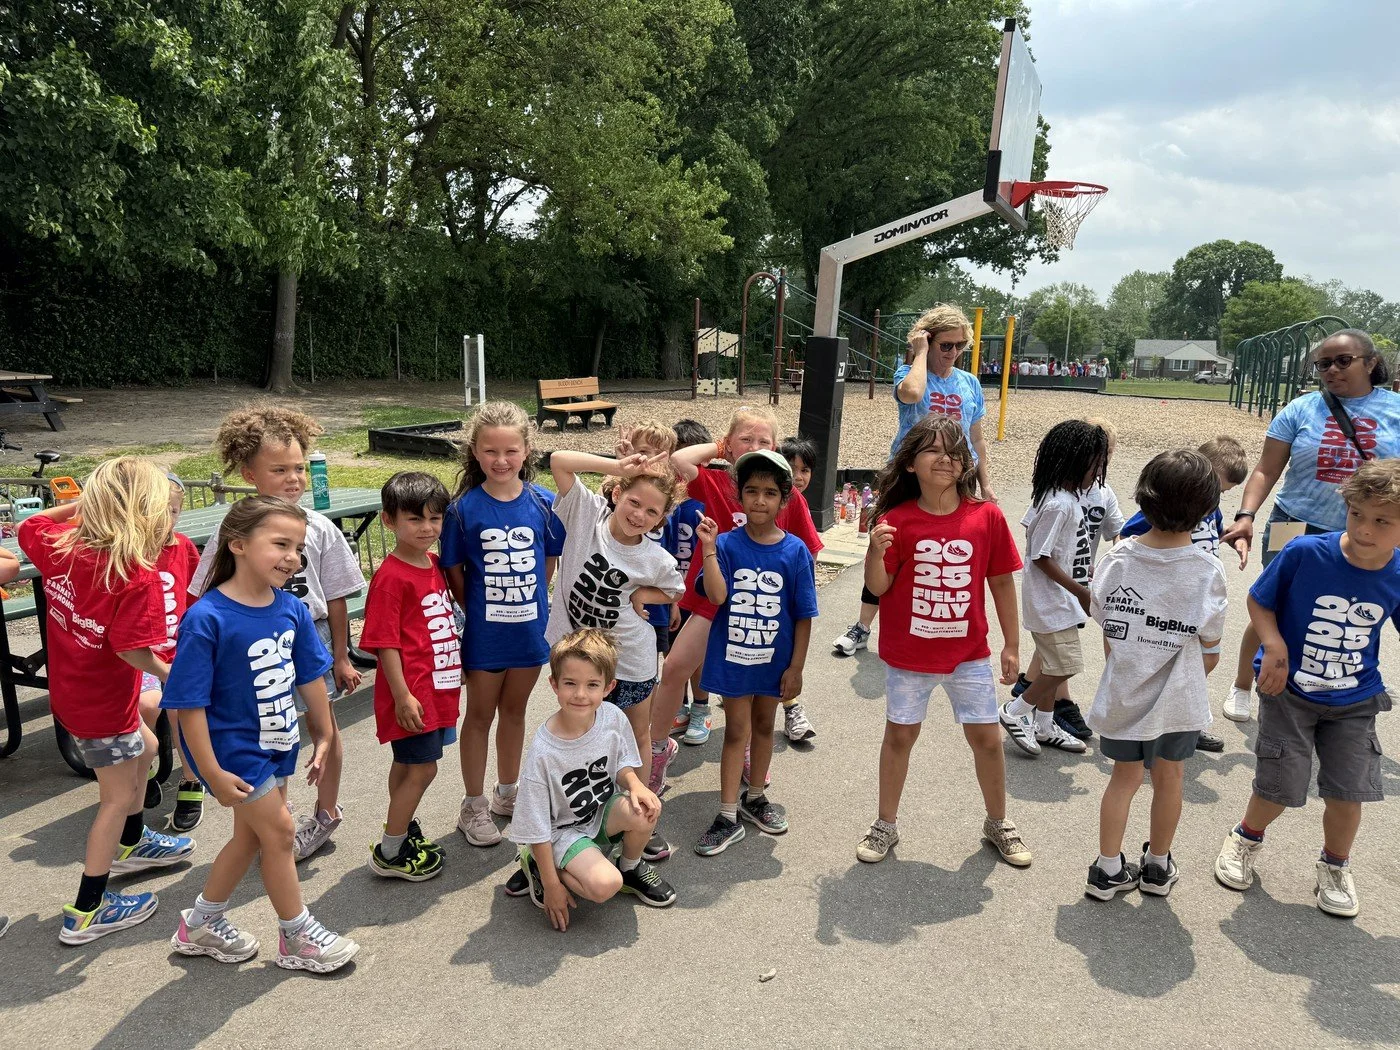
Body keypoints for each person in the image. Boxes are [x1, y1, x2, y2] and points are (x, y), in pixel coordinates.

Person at [164, 496, 358, 971]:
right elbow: (188, 705)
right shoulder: (206, 618)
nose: (292, 557)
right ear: (238, 545)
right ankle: (297, 936)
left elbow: (311, 675)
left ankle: (201, 923)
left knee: (252, 839)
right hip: (232, 751)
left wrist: (325, 734)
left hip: (278, 741)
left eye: (297, 548)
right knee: (282, 833)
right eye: (280, 544)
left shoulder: (290, 608)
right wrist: (208, 770)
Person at [18, 458, 197, 945]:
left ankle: (134, 841)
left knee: (148, 749)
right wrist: (167, 672)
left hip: (74, 696)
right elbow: (130, 649)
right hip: (103, 707)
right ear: (144, 512)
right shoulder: (134, 575)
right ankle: (87, 909)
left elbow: (28, 523)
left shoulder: (59, 546)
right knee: (115, 799)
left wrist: (86, 505)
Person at [1213, 459, 1400, 918]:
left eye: (1382, 521)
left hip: (1356, 698)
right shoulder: (1305, 552)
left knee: (1349, 791)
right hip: (1289, 691)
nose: (1365, 529)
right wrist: (1273, 644)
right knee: (1279, 782)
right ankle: (1245, 838)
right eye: (1357, 514)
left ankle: (1335, 866)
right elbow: (1259, 599)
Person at [853, 417, 1031, 867]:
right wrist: (875, 551)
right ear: (911, 463)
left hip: (969, 655)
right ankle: (885, 824)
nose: (946, 459)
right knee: (900, 737)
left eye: (954, 451)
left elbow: (1003, 583)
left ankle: (998, 822)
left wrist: (1012, 644)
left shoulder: (985, 515)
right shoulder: (895, 520)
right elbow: (880, 585)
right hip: (909, 656)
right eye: (932, 450)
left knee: (987, 740)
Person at [188, 406, 364, 861]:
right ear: (249, 473)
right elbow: (205, 594)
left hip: (311, 643)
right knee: (265, 733)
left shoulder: (319, 527)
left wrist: (342, 656)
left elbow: (340, 595)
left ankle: (325, 813)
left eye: (299, 467)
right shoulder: (235, 530)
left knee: (324, 729)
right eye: (280, 469)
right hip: (254, 653)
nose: (293, 478)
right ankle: (266, 820)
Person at [1219, 331, 1400, 723]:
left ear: (1370, 362)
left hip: (1369, 532)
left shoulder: (1395, 411)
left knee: (1355, 611)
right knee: (1276, 606)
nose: (1331, 370)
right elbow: (1267, 469)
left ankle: (1335, 686)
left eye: (1342, 361)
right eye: (1323, 364)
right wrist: (1246, 516)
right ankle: (1243, 683)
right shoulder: (1302, 409)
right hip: (1296, 524)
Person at [646, 405, 821, 796]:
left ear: (777, 448)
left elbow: (807, 555)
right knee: (675, 668)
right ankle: (657, 750)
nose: (753, 445)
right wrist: (721, 448)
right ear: (727, 443)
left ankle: (746, 752)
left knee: (747, 684)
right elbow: (677, 459)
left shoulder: (786, 498)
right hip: (715, 599)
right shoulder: (715, 482)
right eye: (745, 438)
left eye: (764, 441)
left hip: (759, 607)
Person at [1083, 451, 1227, 900]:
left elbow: (1106, 622)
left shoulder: (1119, 559)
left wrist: (1127, 663)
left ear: (1142, 499)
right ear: (1207, 510)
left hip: (1124, 690)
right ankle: (1158, 866)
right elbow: (1210, 648)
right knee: (1170, 778)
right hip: (1178, 701)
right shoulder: (1206, 569)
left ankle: (1108, 869)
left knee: (1122, 780)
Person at [833, 305, 996, 659]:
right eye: (946, 345)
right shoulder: (909, 372)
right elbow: (911, 394)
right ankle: (863, 626)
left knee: (947, 552)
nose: (953, 353)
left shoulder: (969, 383)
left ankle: (941, 624)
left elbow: (977, 438)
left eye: (960, 346)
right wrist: (921, 352)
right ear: (928, 341)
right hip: (909, 474)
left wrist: (986, 482)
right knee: (887, 547)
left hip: (958, 474)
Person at [440, 401, 566, 848]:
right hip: (485, 637)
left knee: (514, 713)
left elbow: (548, 563)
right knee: (478, 715)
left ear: (527, 450)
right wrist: (478, 608)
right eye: (490, 451)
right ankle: (472, 804)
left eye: (510, 451)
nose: (500, 460)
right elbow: (455, 574)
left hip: (530, 634)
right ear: (474, 451)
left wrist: (532, 605)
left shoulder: (544, 503)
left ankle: (507, 794)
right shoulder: (462, 510)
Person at [693, 450, 819, 856]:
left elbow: (803, 615)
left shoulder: (796, 551)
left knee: (765, 727)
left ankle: (756, 797)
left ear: (785, 499)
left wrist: (796, 667)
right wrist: (709, 549)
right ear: (739, 497)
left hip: (774, 659)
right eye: (751, 491)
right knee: (735, 732)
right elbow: (716, 595)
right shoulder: (726, 545)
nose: (760, 501)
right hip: (733, 658)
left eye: (769, 493)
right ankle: (727, 814)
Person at [511, 629, 676, 927]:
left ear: (608, 686)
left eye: (592, 684)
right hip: (561, 831)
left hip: (599, 812)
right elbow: (536, 825)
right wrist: (552, 885)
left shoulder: (612, 716)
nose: (580, 694)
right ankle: (536, 864)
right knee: (604, 886)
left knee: (647, 807)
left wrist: (636, 784)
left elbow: (622, 763)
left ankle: (630, 868)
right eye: (570, 683)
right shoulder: (543, 752)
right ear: (554, 684)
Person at [546, 447, 684, 780]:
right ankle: (590, 805)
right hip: (581, 658)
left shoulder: (655, 558)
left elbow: (677, 589)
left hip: (632, 661)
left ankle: (641, 803)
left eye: (651, 512)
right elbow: (558, 461)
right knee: (584, 731)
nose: (639, 516)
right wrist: (616, 465)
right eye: (634, 503)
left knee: (636, 734)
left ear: (660, 519)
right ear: (618, 493)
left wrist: (642, 593)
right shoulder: (587, 513)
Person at [1118, 435, 1249, 753]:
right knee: (1169, 664)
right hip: (1170, 603)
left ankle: (1185, 721)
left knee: (1200, 664)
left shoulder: (1212, 508)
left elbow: (1210, 534)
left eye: (1224, 492)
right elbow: (1129, 534)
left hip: (1201, 600)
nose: (1217, 496)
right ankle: (1154, 723)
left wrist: (1228, 538)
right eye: (1216, 487)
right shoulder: (1171, 508)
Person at [360, 472, 461, 881]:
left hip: (436, 690)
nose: (427, 528)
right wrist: (402, 696)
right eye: (414, 520)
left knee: (406, 766)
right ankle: (390, 850)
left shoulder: (433, 563)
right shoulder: (391, 577)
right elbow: (385, 643)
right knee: (424, 769)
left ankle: (399, 829)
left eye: (434, 519)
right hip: (413, 694)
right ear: (389, 521)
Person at [999, 420, 1110, 757]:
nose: (1097, 473)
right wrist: (1080, 591)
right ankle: (1016, 711)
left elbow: (1059, 548)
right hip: (1051, 602)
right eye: (1095, 466)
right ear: (1074, 463)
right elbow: (1040, 556)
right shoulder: (1059, 503)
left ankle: (1045, 725)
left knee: (1052, 664)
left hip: (1060, 601)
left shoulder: (1063, 497)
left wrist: (1082, 569)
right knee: (1065, 666)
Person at [140, 473, 205, 830]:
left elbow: (196, 597)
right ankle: (145, 766)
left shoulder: (182, 547)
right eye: (157, 510)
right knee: (148, 704)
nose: (166, 519)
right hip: (143, 655)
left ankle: (191, 780)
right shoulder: (129, 550)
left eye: (174, 511)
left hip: (180, 650)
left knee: (184, 712)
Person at [666, 419, 714, 744]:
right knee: (672, 655)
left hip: (698, 595)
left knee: (697, 657)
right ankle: (680, 707)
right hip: (670, 594)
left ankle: (702, 709)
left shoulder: (708, 499)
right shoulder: (666, 501)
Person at [777, 435, 820, 742]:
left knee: (785, 655)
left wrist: (800, 591)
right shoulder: (777, 497)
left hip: (785, 594)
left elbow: (811, 550)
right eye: (792, 468)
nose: (798, 476)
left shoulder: (797, 501)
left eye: (805, 470)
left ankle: (791, 707)